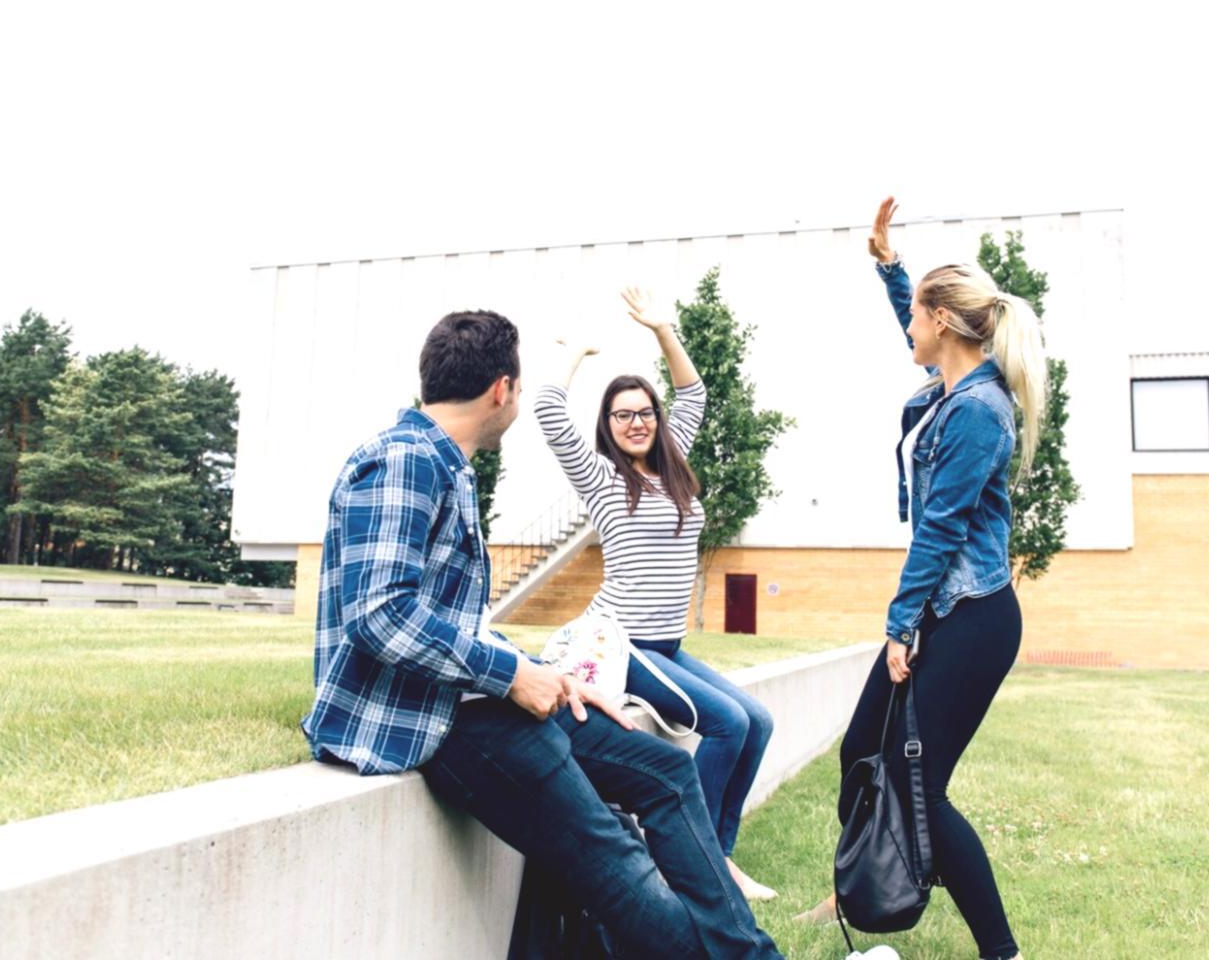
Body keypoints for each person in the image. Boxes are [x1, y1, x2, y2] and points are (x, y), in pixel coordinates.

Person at [301, 309, 781, 960]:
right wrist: (511, 675)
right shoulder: (404, 461)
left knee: (667, 771)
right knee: (614, 857)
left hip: (467, 697)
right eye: (521, 387)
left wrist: (546, 676)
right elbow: (380, 615)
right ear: (501, 389)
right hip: (427, 718)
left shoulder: (444, 464)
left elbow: (452, 627)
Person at [802, 197, 1044, 960]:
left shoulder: (976, 411)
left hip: (970, 617)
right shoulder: (948, 386)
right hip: (944, 609)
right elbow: (915, 329)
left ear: (942, 321)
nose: (908, 326)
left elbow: (941, 530)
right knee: (860, 755)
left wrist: (900, 625)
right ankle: (868, 881)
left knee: (921, 788)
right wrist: (890, 269)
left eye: (915, 315)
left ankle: (1000, 951)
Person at [534, 287, 779, 902]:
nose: (636, 422)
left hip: (667, 643)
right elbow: (547, 410)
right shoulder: (600, 477)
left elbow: (693, 394)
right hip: (625, 642)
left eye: (644, 412)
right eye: (622, 415)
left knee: (759, 722)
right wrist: (576, 352)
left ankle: (720, 856)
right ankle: (692, 860)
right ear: (608, 425)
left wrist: (663, 330)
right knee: (726, 724)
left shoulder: (673, 468)